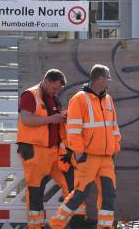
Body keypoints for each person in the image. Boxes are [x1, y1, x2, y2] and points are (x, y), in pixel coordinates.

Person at [50, 65, 121, 229]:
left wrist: (115, 146)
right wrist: (79, 150)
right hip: (87, 157)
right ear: (100, 79)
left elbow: (114, 126)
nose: (109, 81)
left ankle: (105, 227)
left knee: (109, 194)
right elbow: (73, 129)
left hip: (106, 158)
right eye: (108, 78)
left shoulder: (108, 99)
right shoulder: (78, 99)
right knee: (79, 195)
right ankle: (56, 225)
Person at [16, 69, 74, 229]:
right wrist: (52, 119)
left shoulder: (52, 98)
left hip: (54, 152)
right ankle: (35, 226)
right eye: (55, 88)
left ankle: (71, 223)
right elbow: (26, 119)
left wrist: (62, 117)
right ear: (47, 80)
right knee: (35, 191)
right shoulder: (30, 95)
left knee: (71, 186)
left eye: (58, 89)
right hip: (35, 151)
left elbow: (53, 120)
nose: (56, 91)